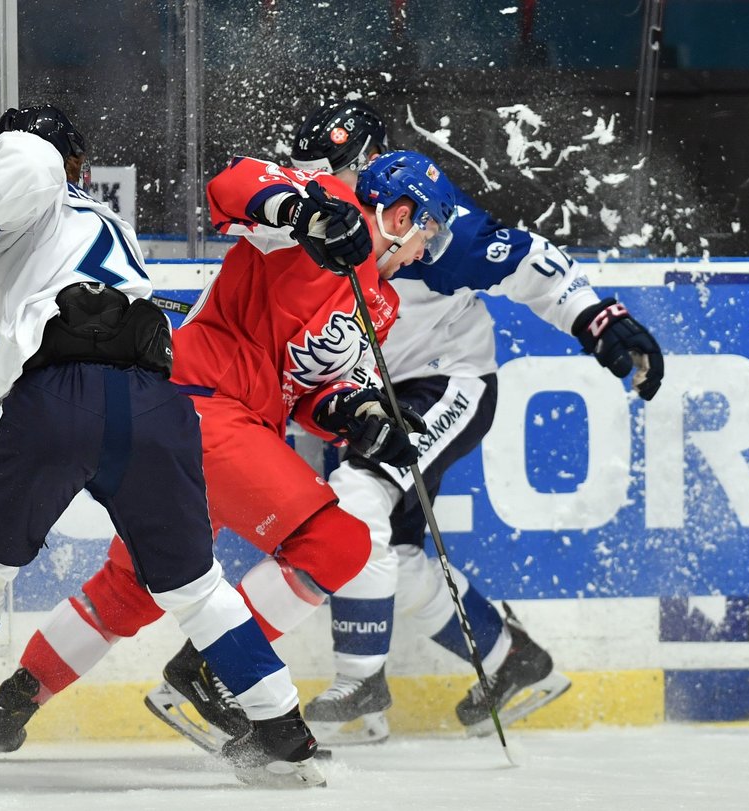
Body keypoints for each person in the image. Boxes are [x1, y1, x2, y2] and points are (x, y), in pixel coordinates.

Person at [0, 146, 457, 756]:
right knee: (338, 542)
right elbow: (233, 184)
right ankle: (211, 676)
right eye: (428, 232)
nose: (427, 251)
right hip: (201, 402)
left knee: (134, 586)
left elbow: (310, 393)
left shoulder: (381, 303)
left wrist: (361, 416)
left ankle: (8, 707)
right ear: (400, 215)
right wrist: (306, 213)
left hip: (230, 425)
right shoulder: (330, 206)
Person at [0, 103, 325, 789]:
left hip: (53, 403)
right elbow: (85, 362)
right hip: (156, 405)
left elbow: (27, 164)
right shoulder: (104, 222)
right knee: (195, 585)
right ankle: (282, 729)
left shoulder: (27, 166)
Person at [287, 101, 663, 743]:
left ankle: (361, 684)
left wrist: (597, 318)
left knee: (358, 495)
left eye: (335, 173)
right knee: (387, 548)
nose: (321, 188)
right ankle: (509, 661)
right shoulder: (305, 209)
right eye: (310, 174)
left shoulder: (437, 228)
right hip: (353, 392)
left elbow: (528, 261)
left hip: (441, 381)